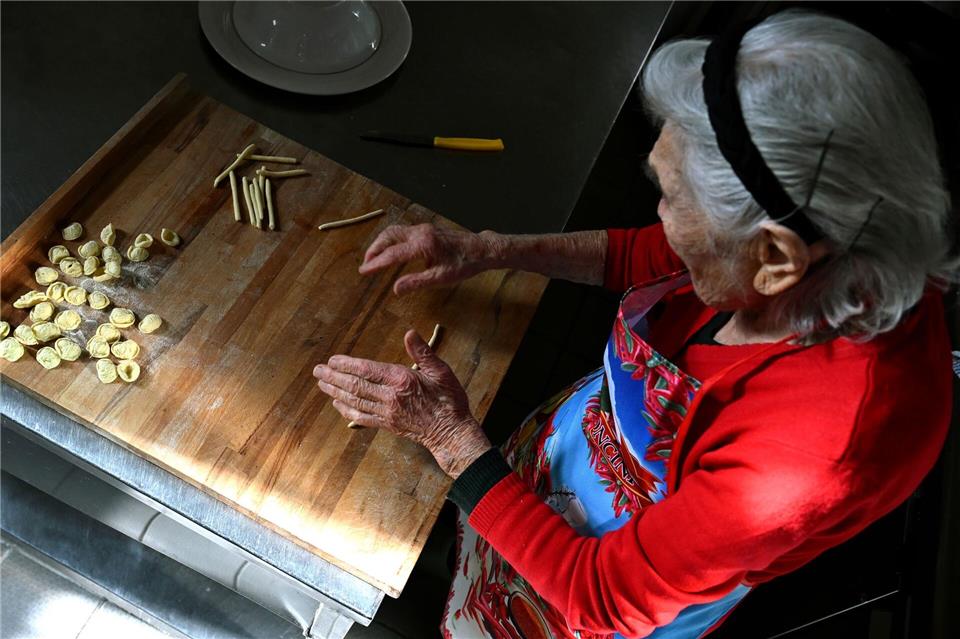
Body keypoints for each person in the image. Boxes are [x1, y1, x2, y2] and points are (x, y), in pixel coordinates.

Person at [313, 10, 956, 638]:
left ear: (775, 260)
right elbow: (651, 256)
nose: (659, 212)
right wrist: (489, 250)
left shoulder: (808, 453)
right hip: (563, 475)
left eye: (672, 197)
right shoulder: (816, 243)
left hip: (582, 596)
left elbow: (601, 596)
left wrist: (451, 439)